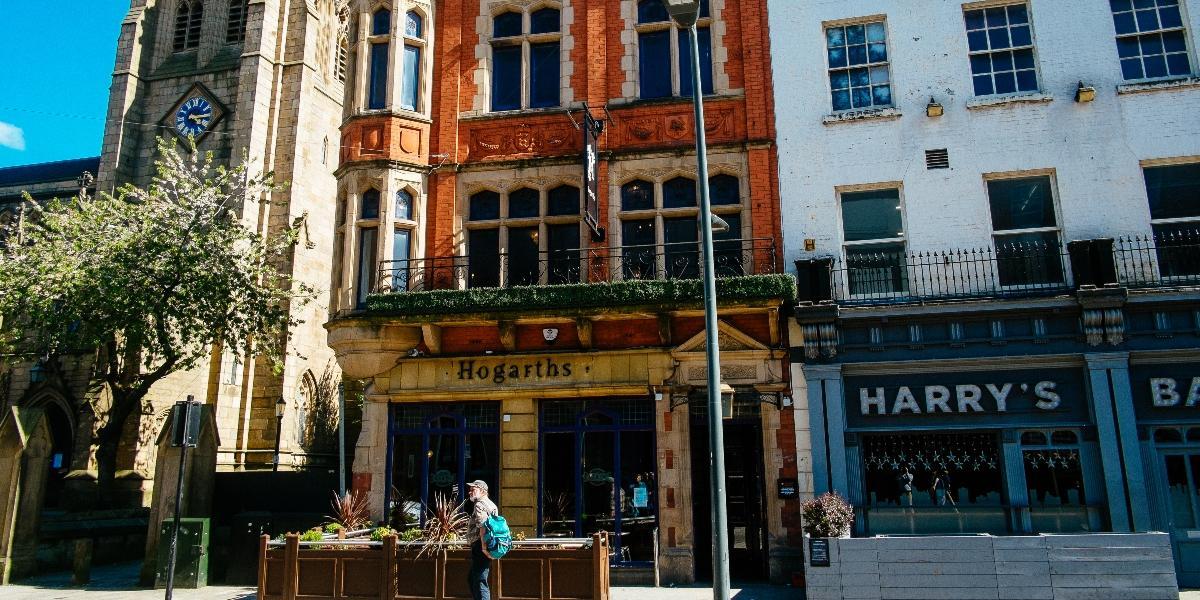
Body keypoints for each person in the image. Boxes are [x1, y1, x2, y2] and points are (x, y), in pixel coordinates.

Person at [465, 480, 498, 600]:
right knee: (473, 578)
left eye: (473, 489)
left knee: (480, 580)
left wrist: (484, 547)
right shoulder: (492, 504)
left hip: (481, 545)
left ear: (482, 491)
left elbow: (483, 525)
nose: (470, 491)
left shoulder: (480, 504)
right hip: (489, 544)